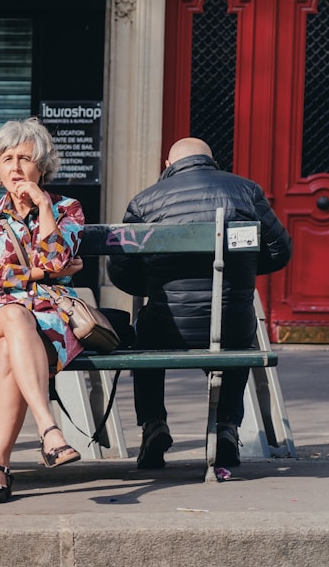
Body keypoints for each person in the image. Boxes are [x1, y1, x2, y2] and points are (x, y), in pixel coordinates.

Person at [107, 136, 292, 471]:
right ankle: (225, 428)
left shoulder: (145, 201)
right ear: (211, 160)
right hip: (229, 321)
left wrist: (152, 286)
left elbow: (121, 268)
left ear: (169, 165)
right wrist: (242, 269)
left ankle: (154, 424)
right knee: (239, 330)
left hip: (167, 326)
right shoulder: (247, 191)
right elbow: (281, 250)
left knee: (144, 336)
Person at [0, 118, 86, 505]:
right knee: (14, 315)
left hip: (49, 323)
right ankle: (49, 429)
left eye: (25, 158)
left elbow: (59, 257)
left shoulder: (68, 209)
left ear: (43, 167)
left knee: (11, 347)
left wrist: (45, 207)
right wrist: (42, 272)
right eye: (7, 158)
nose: (15, 167)